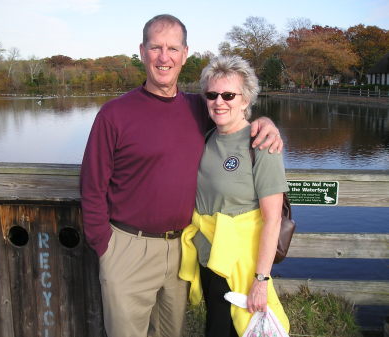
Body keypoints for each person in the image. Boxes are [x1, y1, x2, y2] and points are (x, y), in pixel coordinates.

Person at [80, 14, 283, 337]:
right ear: (142, 51)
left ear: (185, 53)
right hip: (128, 248)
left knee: (170, 332)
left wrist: (266, 123)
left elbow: (233, 112)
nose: (164, 57)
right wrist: (105, 246)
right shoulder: (114, 114)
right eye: (155, 47)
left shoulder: (198, 108)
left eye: (172, 48)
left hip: (181, 251)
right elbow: (92, 187)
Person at [178, 55, 290, 337]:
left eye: (229, 94)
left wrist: (261, 280)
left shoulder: (261, 144)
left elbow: (272, 219)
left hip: (242, 263)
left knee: (240, 328)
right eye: (212, 94)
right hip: (209, 259)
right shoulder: (206, 138)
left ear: (245, 99)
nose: (219, 101)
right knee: (216, 325)